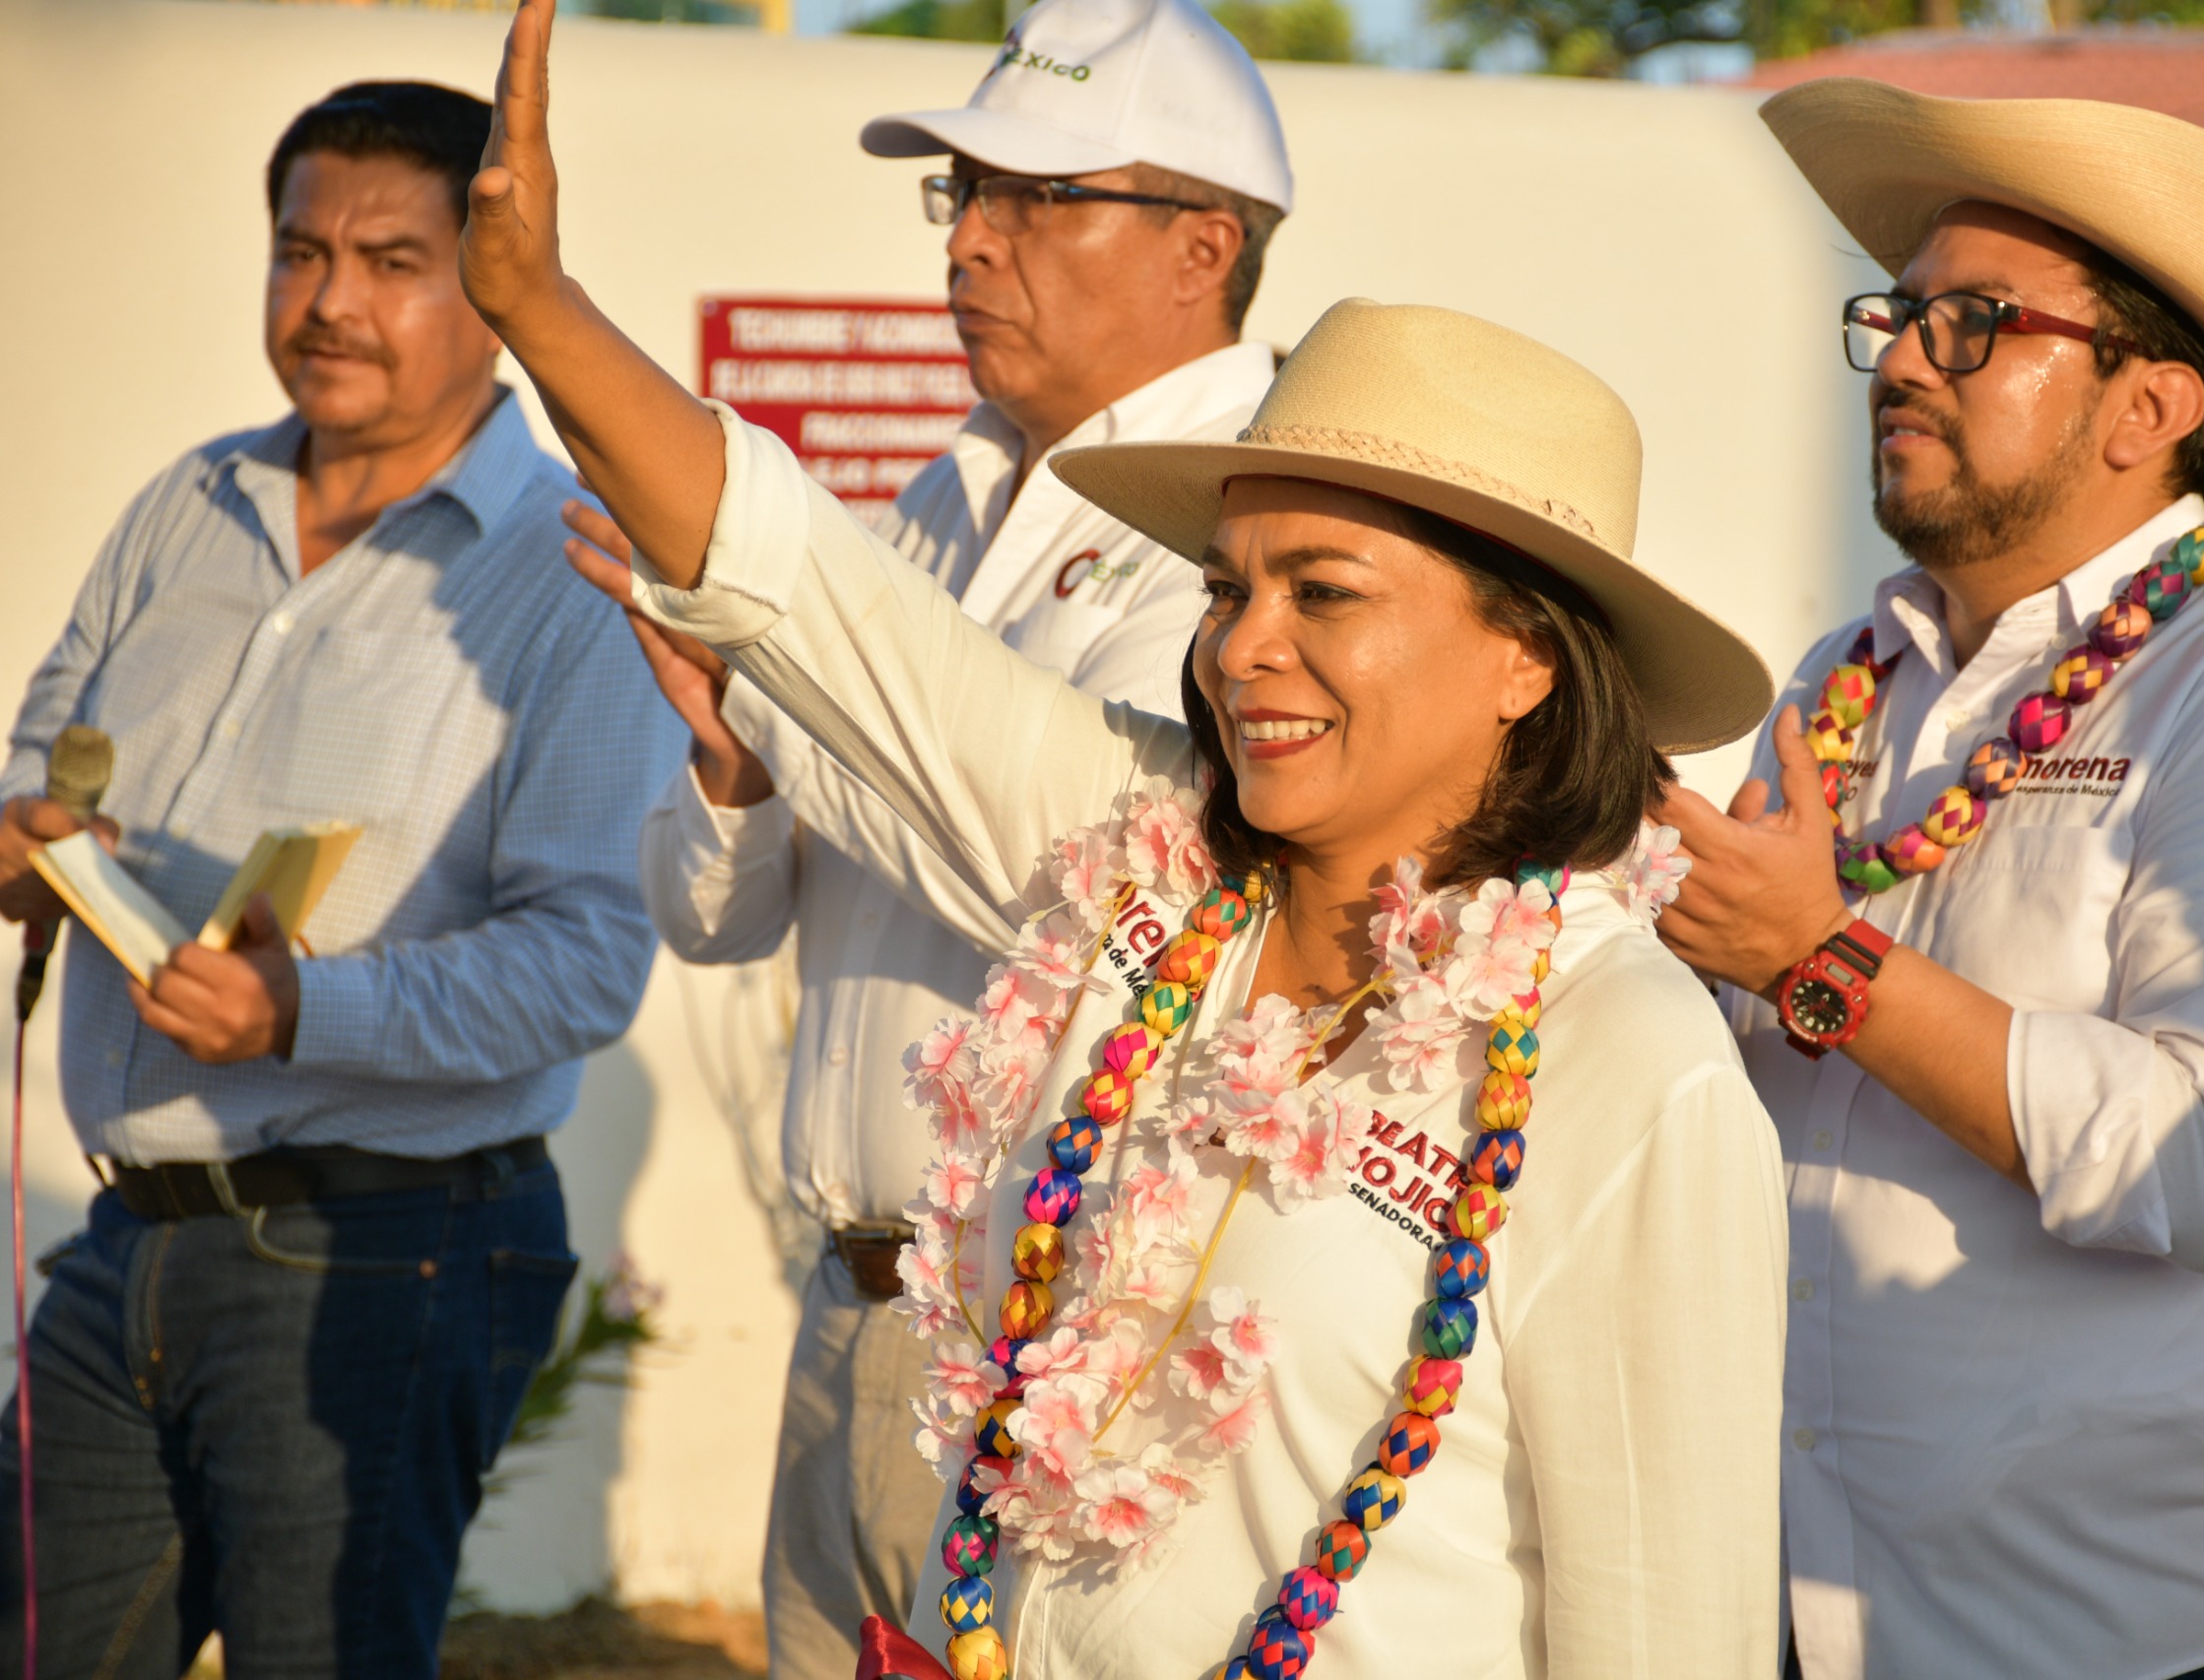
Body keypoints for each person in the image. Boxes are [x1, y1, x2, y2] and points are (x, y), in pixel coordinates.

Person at [463, 5, 1790, 1674]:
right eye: (1230, 588)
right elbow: (811, 591)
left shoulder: (1616, 1050)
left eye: (1325, 594)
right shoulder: (1157, 869)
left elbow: (1670, 1632)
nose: (1242, 648)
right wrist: (537, 308)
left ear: (1525, 654)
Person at [1653, 81, 2204, 1680]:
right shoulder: (1850, 673)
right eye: (1894, 315)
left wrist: (1818, 959)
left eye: (1972, 324)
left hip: (2160, 1643)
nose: (1899, 358)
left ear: (2146, 409)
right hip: (1824, 1615)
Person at [565, 0, 1292, 1667]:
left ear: (1202, 247)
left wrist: (785, 693)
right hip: (855, 1305)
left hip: (1059, 1336)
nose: (972, 240)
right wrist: (737, 757)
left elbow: (1067, 873)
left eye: (1037, 198)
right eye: (962, 194)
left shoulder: (1251, 524)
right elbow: (715, 917)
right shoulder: (936, 499)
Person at [0, 82, 675, 1677]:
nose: (331, 304)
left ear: (491, 294)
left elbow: (590, 963)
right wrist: (34, 849)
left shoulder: (577, 565)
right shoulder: (188, 503)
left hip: (387, 1249)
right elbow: (45, 760)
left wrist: (304, 1007)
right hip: (122, 1246)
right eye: (300, 253)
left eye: (392, 259)